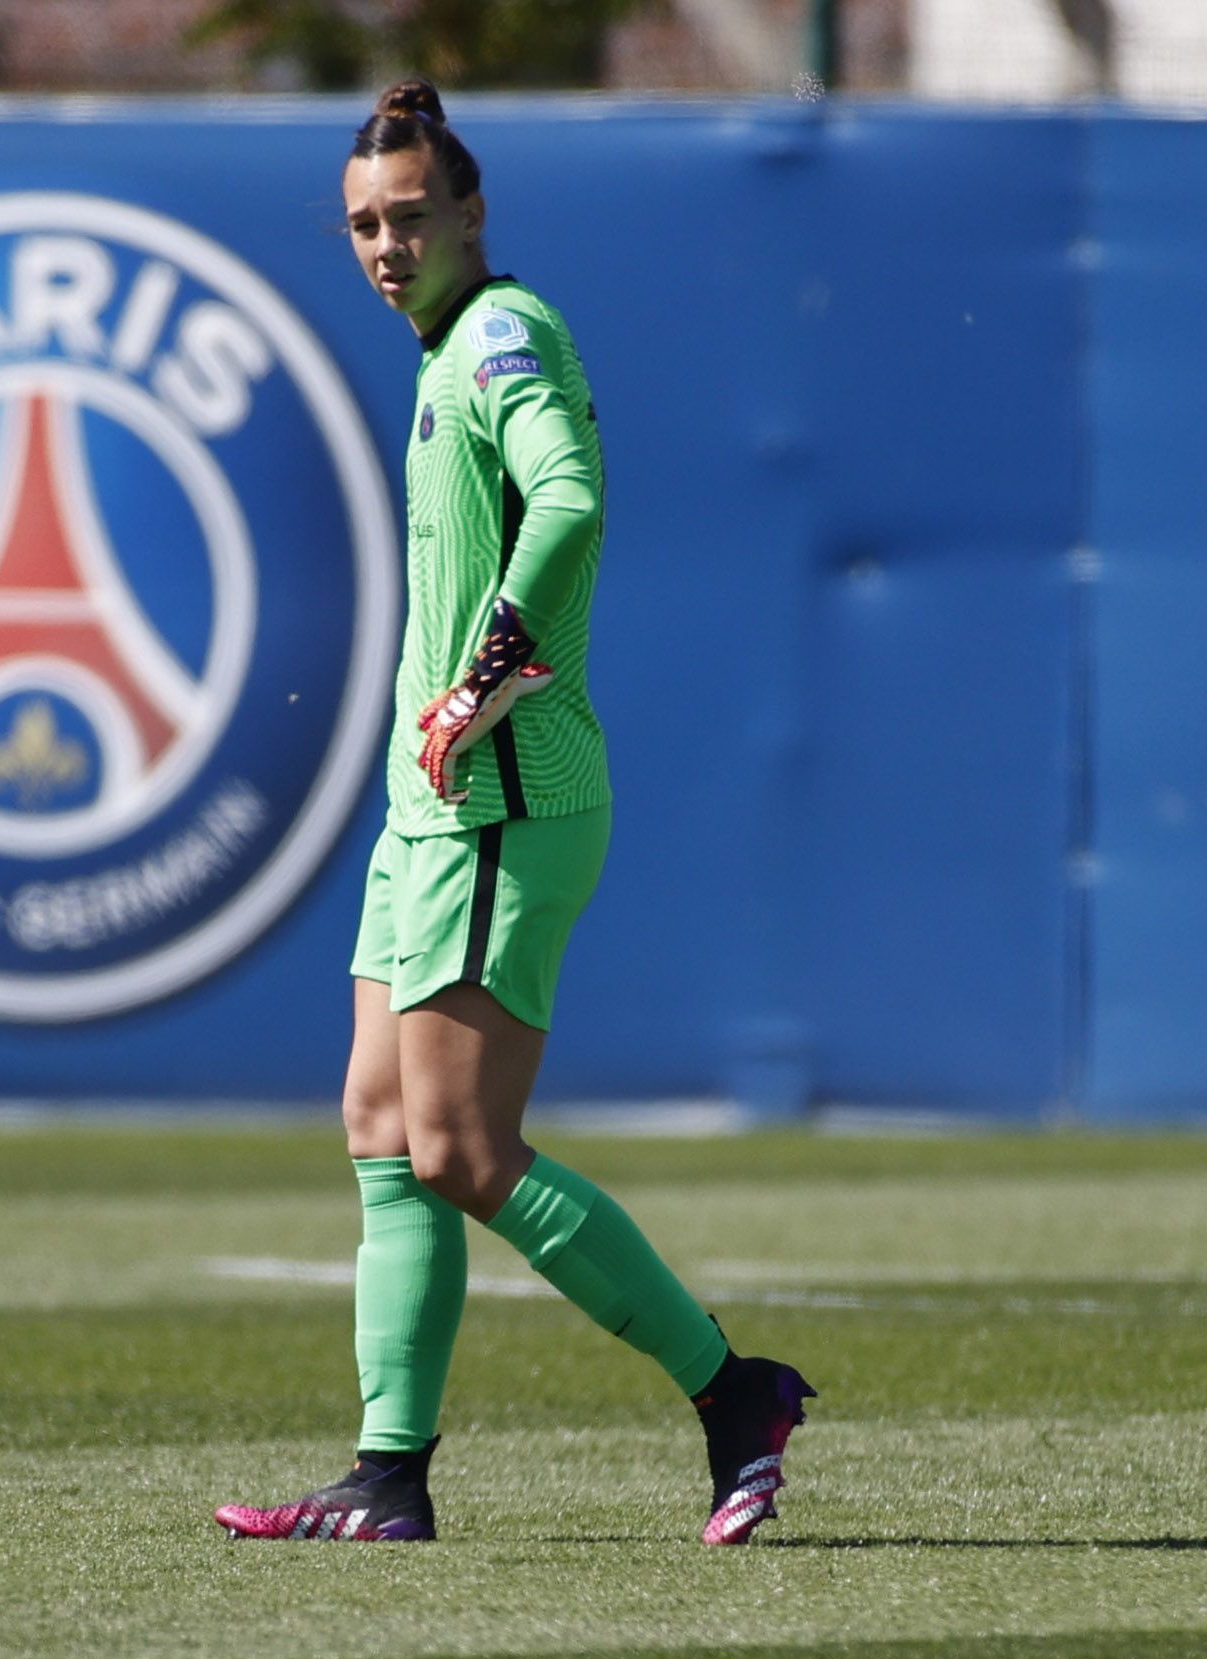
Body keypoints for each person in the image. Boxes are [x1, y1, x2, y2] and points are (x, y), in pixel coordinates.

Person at [213, 82, 814, 1548]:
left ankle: (730, 1387)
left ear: (472, 213)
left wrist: (482, 678)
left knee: (463, 1151)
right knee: (377, 1124)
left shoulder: (494, 333)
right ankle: (388, 1475)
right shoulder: (440, 353)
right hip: (429, 815)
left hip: (501, 801)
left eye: (410, 215)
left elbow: (569, 502)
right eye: (362, 222)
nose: (384, 243)